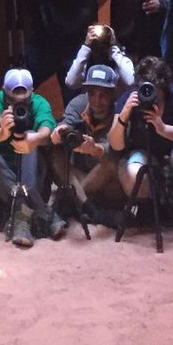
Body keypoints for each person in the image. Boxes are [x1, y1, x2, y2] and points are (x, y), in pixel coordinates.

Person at [0, 67, 63, 248]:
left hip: (32, 170)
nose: (19, 106)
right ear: (4, 93)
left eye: (24, 102)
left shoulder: (39, 102)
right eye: (13, 101)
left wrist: (33, 139)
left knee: (31, 137)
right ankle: (42, 211)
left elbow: (48, 129)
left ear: (32, 93)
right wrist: (1, 133)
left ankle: (23, 217)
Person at [108, 54, 173, 207]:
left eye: (155, 91)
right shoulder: (129, 98)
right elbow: (115, 145)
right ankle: (154, 210)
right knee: (133, 173)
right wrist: (124, 114)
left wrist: (163, 129)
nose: (150, 95)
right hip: (143, 155)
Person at [50, 61, 123, 225]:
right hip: (80, 174)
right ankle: (89, 208)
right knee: (55, 154)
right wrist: (59, 132)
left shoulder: (120, 112)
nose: (97, 101)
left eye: (103, 95)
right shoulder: (78, 103)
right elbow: (65, 124)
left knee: (112, 164)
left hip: (108, 183)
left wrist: (95, 149)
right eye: (92, 94)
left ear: (113, 94)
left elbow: (118, 154)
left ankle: (72, 200)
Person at [64, 23, 134, 93]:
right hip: (90, 101)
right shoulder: (85, 60)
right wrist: (86, 47)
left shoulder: (119, 59)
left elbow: (130, 81)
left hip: (114, 101)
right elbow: (71, 82)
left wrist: (113, 46)